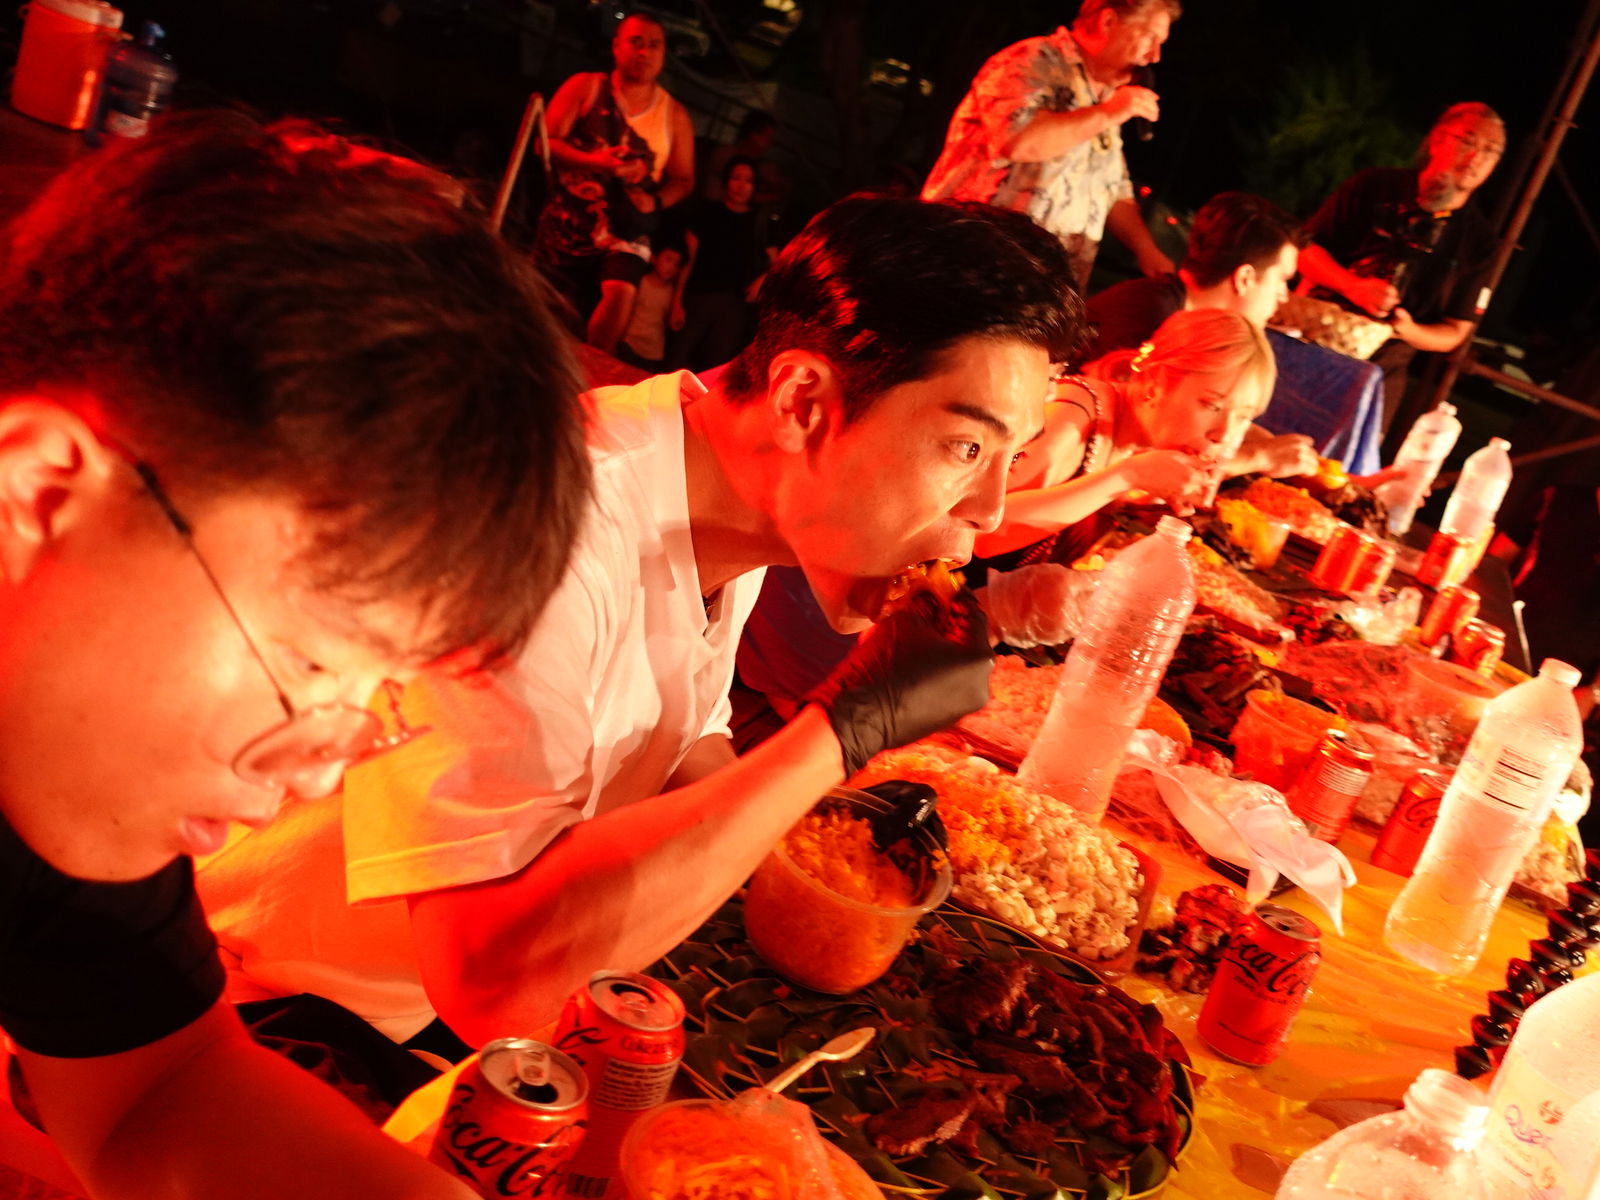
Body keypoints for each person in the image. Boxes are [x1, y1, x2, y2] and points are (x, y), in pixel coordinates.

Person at [196, 196, 1084, 1048]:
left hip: (386, 1011)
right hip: (252, 1012)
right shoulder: (547, 528)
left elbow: (685, 747)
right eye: (966, 447)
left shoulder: (725, 503)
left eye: (1010, 457)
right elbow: (491, 987)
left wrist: (819, 828)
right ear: (802, 402)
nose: (989, 508)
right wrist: (837, 736)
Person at [0, 114, 591, 1199]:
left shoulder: (61, 776)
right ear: (41, 492)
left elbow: (156, 1087)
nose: (318, 777)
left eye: (380, 692)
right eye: (315, 667)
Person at [975, 308, 1278, 571]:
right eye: (1212, 406)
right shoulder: (1075, 416)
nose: (1224, 434)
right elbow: (981, 534)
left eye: (1243, 417)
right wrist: (1129, 476)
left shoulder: (1144, 442)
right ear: (1154, 383)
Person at [922, 0, 1180, 292]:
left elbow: (1114, 189)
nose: (1154, 56)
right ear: (1107, 21)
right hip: (969, 267)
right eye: (1150, 37)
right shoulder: (1030, 60)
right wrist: (1109, 113)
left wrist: (1147, 251)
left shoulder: (1104, 98)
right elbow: (1016, 141)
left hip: (1038, 288)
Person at [1296, 102, 1504, 428]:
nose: (1476, 157)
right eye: (1467, 141)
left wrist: (1408, 329)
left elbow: (1456, 332)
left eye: (1491, 151)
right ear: (1437, 139)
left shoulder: (1480, 241)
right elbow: (1303, 251)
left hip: (1381, 367)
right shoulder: (1374, 186)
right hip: (1309, 335)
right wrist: (1352, 286)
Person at [537, 11, 695, 354]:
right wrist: (596, 163)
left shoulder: (675, 115)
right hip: (569, 221)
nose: (644, 52)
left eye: (654, 45)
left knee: (621, 291)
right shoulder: (586, 86)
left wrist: (655, 202)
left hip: (627, 226)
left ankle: (593, 369)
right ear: (616, 46)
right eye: (636, 42)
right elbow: (545, 142)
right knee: (544, 310)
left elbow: (683, 179)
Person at [1084, 191, 1305, 359]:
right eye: (1282, 280)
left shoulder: (1172, 311)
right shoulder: (1153, 324)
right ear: (1244, 278)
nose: (1283, 296)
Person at [670, 156, 776, 371]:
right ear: (726, 181)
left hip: (734, 304)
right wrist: (676, 301)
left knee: (714, 366)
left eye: (748, 180)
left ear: (754, 186)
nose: (741, 185)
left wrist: (760, 282)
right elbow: (689, 258)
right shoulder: (706, 212)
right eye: (736, 178)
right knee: (675, 359)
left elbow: (780, 261)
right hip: (697, 297)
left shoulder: (760, 221)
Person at [619, 241, 684, 372]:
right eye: (668, 260)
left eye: (676, 264)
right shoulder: (640, 282)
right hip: (630, 344)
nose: (671, 267)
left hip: (653, 352)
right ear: (654, 259)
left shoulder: (673, 293)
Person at [704, 109, 786, 211]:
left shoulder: (765, 167)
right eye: (767, 137)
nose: (769, 143)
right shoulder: (725, 154)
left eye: (771, 139)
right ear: (752, 134)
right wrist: (764, 196)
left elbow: (778, 192)